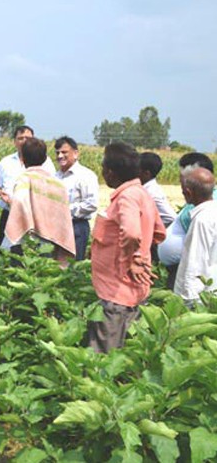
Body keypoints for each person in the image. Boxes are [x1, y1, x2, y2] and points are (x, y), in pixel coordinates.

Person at [88, 142, 165, 353]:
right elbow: (158, 232)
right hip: (131, 291)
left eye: (104, 168)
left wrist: (131, 260)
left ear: (111, 172)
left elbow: (131, 232)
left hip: (116, 293)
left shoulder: (127, 197)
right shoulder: (141, 193)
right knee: (129, 353)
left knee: (105, 356)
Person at [3, 138, 75, 262]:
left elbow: (20, 203)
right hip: (51, 241)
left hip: (27, 241)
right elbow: (63, 214)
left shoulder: (24, 179)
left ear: (23, 158)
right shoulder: (58, 184)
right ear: (44, 158)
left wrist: (11, 203)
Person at [0, 125, 55, 245]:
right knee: (7, 252)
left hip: (35, 216)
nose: (24, 141)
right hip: (9, 213)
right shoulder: (6, 162)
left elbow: (51, 187)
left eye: (28, 138)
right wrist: (0, 193)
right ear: (14, 141)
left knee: (33, 250)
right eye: (20, 138)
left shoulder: (45, 162)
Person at [158, 153, 215, 289]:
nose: (181, 180)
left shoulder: (205, 211)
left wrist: (189, 293)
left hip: (192, 273)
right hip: (181, 268)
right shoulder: (197, 201)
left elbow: (197, 254)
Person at [173, 167, 217, 306]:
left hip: (198, 298)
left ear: (188, 192)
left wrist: (188, 302)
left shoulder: (201, 220)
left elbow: (195, 263)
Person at [54, 136, 99, 261]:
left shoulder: (85, 175)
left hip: (76, 226)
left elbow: (91, 204)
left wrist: (65, 210)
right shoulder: (54, 176)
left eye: (64, 152)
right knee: (54, 267)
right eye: (57, 153)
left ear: (75, 153)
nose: (60, 156)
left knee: (71, 268)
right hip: (55, 226)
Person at [140, 152, 177, 227]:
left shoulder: (151, 193)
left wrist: (149, 227)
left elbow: (170, 218)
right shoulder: (149, 189)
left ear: (146, 173)